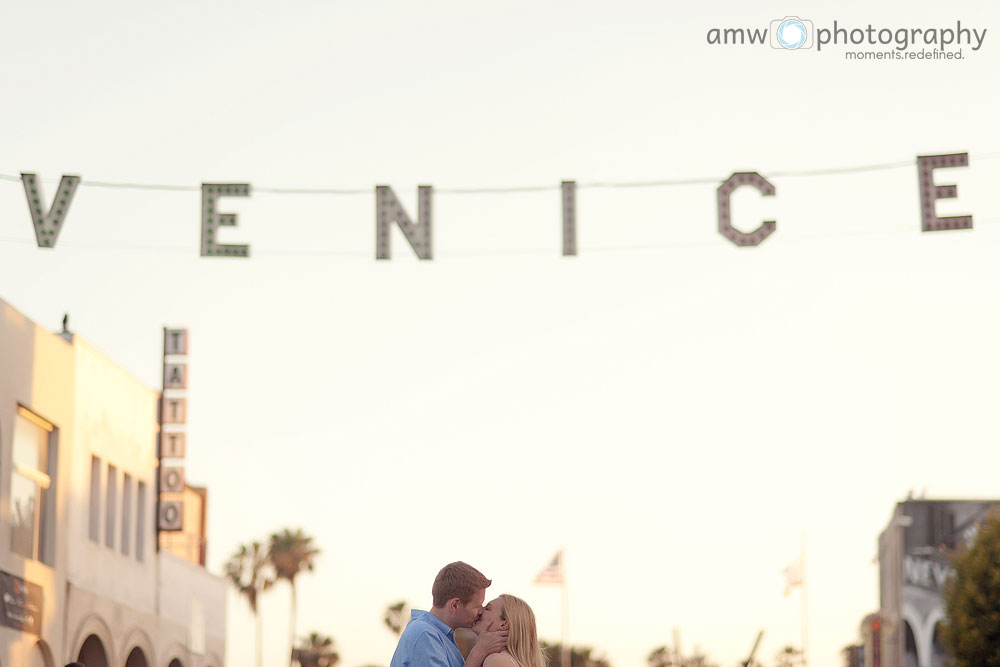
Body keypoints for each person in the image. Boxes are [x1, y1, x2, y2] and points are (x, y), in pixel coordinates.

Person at [391, 561, 508, 667]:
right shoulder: (425, 634)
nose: (481, 611)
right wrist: (480, 651)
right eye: (477, 606)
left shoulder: (440, 636)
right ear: (455, 605)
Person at [471, 594, 546, 667]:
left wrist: (478, 652)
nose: (480, 611)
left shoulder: (497, 660)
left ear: (504, 624)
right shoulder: (507, 659)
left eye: (487, 608)